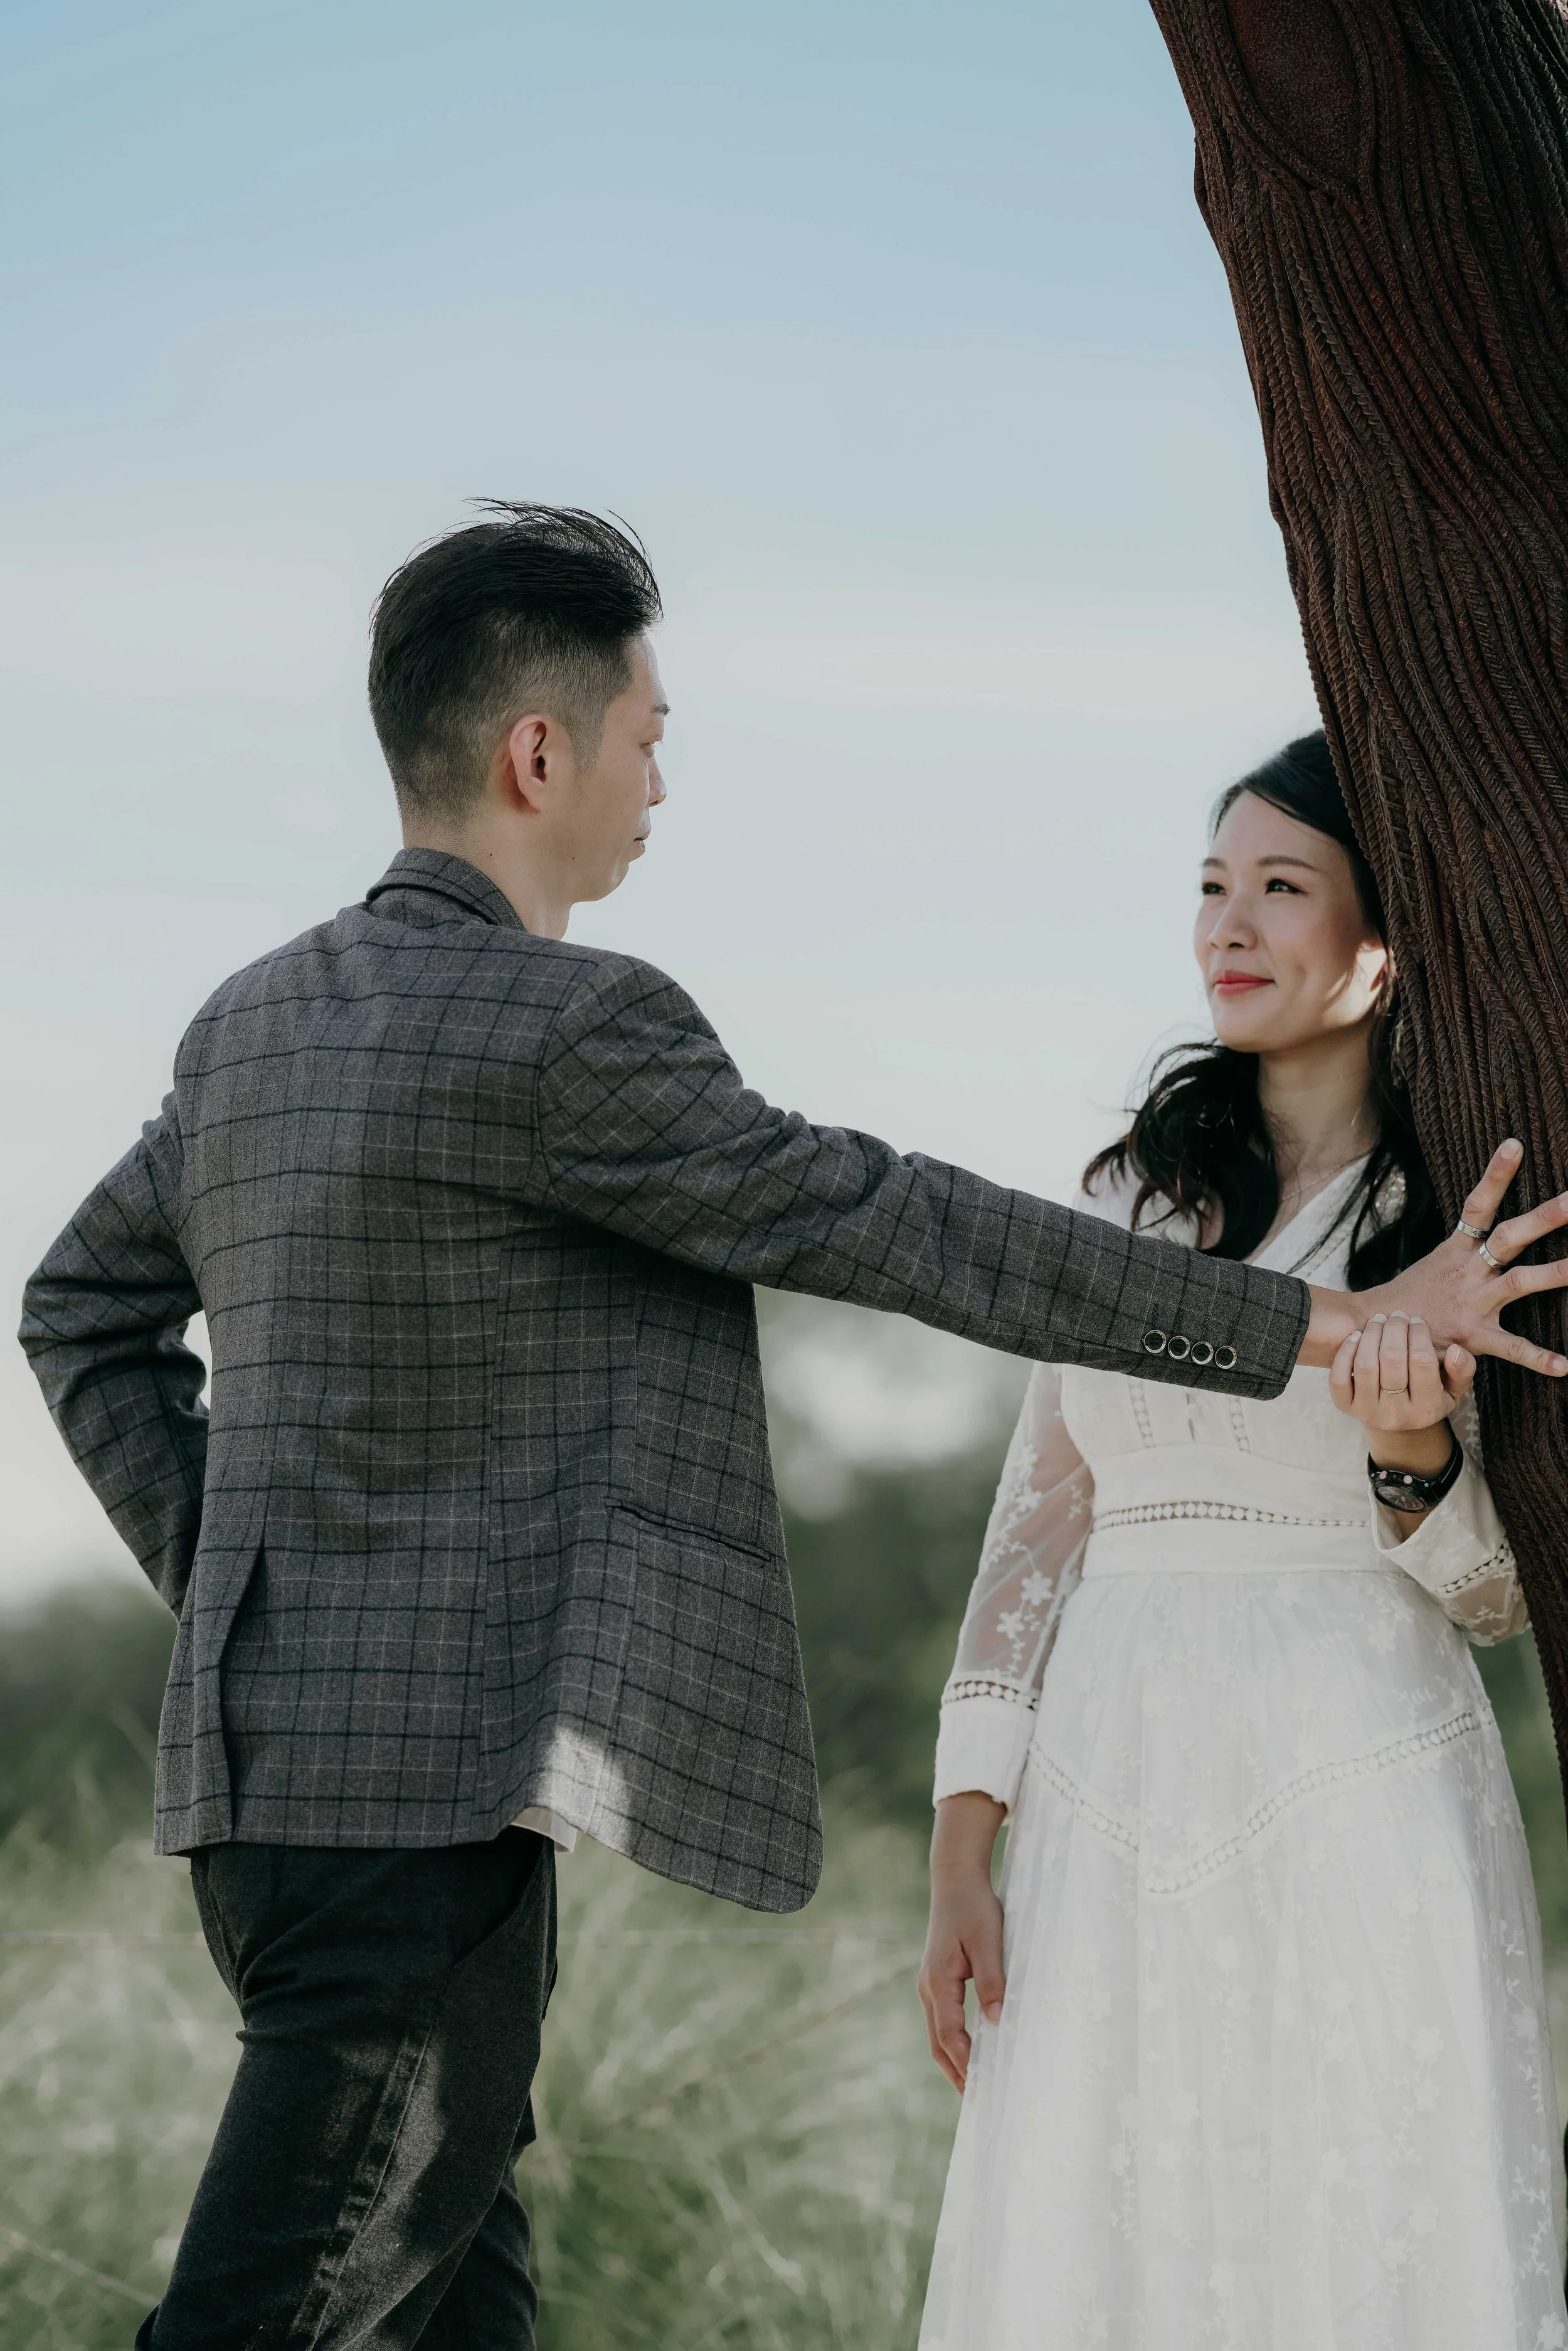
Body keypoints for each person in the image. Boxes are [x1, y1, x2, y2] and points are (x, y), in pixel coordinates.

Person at [18, 514, 1568, 2351]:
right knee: (277, 2308)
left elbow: (76, 1313)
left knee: (444, 2283)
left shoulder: (247, 1024)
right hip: (423, 1798)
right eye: (648, 734)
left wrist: (239, 1603)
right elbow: (889, 1218)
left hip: (270, 1802)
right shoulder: (571, 1026)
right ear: (540, 752)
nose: (660, 780)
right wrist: (1332, 1320)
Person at [918, 733, 1567, 2349]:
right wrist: (959, 1847)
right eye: (1214, 888)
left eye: (1283, 890)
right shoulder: (1131, 1203)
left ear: (1384, 945)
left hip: (1361, 1763)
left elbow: (1491, 1591)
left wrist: (1411, 1446)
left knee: (1348, 2219)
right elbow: (1031, 1545)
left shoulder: (1453, 1212)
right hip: (1111, 1772)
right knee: (1100, 2226)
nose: (1231, 927)